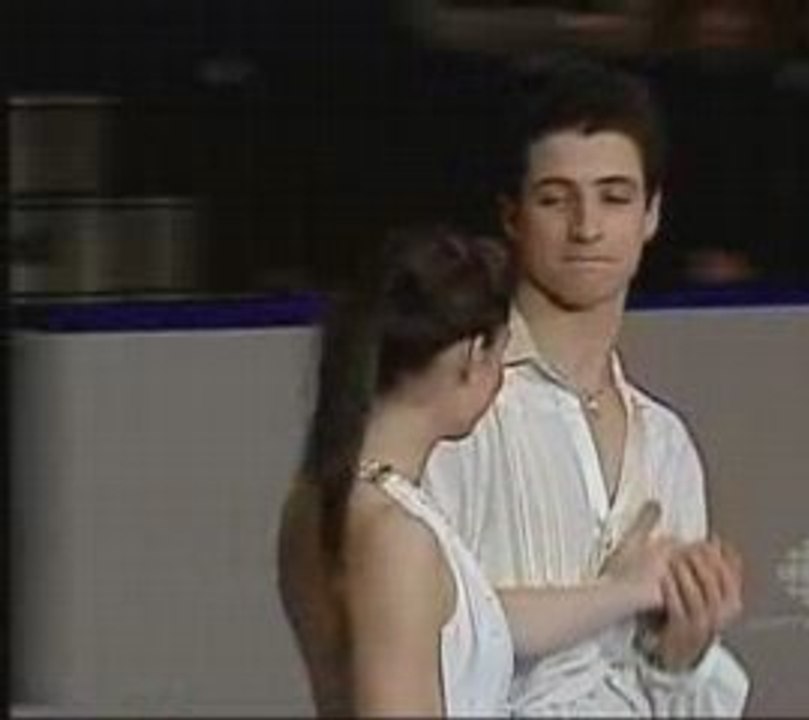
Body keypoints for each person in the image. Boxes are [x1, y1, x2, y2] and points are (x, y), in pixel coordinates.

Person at [423, 55, 751, 715]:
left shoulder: (665, 444)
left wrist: (681, 651)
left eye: (614, 197)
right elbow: (421, 631)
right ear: (512, 215)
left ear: (651, 214)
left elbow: (662, 684)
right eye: (555, 198)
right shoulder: (455, 407)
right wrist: (618, 593)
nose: (587, 228)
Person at [277, 227, 681, 717]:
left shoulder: (319, 499)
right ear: (473, 357)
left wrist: (626, 591)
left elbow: (476, 620)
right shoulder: (394, 533)